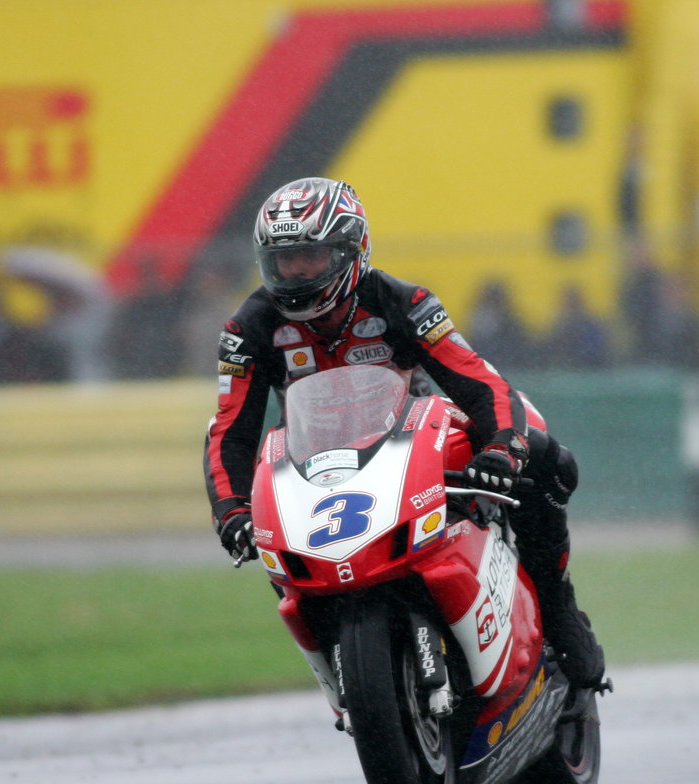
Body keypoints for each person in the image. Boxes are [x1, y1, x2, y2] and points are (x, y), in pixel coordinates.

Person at [202, 177, 606, 690]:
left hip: (409, 439)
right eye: (284, 260)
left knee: (545, 449)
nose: (296, 273)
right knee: (267, 538)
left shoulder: (403, 300)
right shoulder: (247, 328)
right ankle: (344, 670)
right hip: (315, 463)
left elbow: (477, 379)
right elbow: (229, 429)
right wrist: (231, 510)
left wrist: (505, 446)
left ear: (351, 250)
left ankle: (556, 602)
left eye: (310, 255)